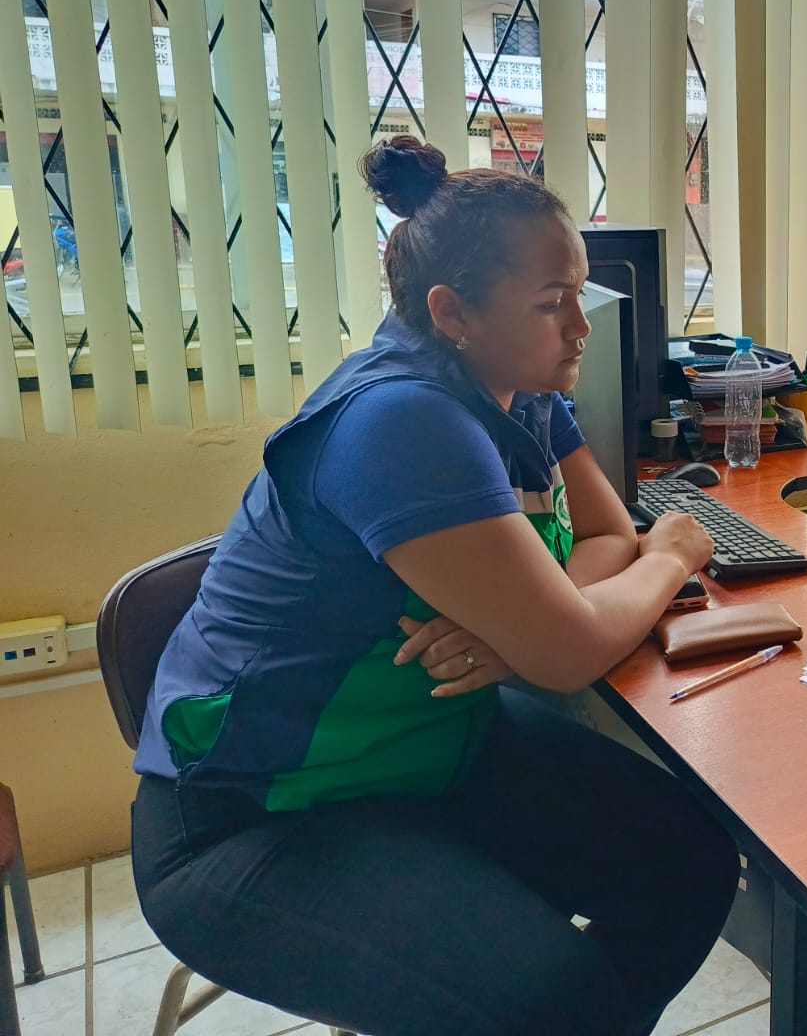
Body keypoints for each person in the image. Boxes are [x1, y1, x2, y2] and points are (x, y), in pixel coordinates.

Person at [130, 136, 738, 1036]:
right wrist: (672, 557)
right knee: (549, 998)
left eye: (580, 292)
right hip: (260, 811)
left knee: (690, 866)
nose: (580, 326)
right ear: (452, 312)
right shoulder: (401, 421)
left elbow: (606, 535)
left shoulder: (523, 391)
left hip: (430, 743)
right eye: (552, 302)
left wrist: (526, 625)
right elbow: (575, 644)